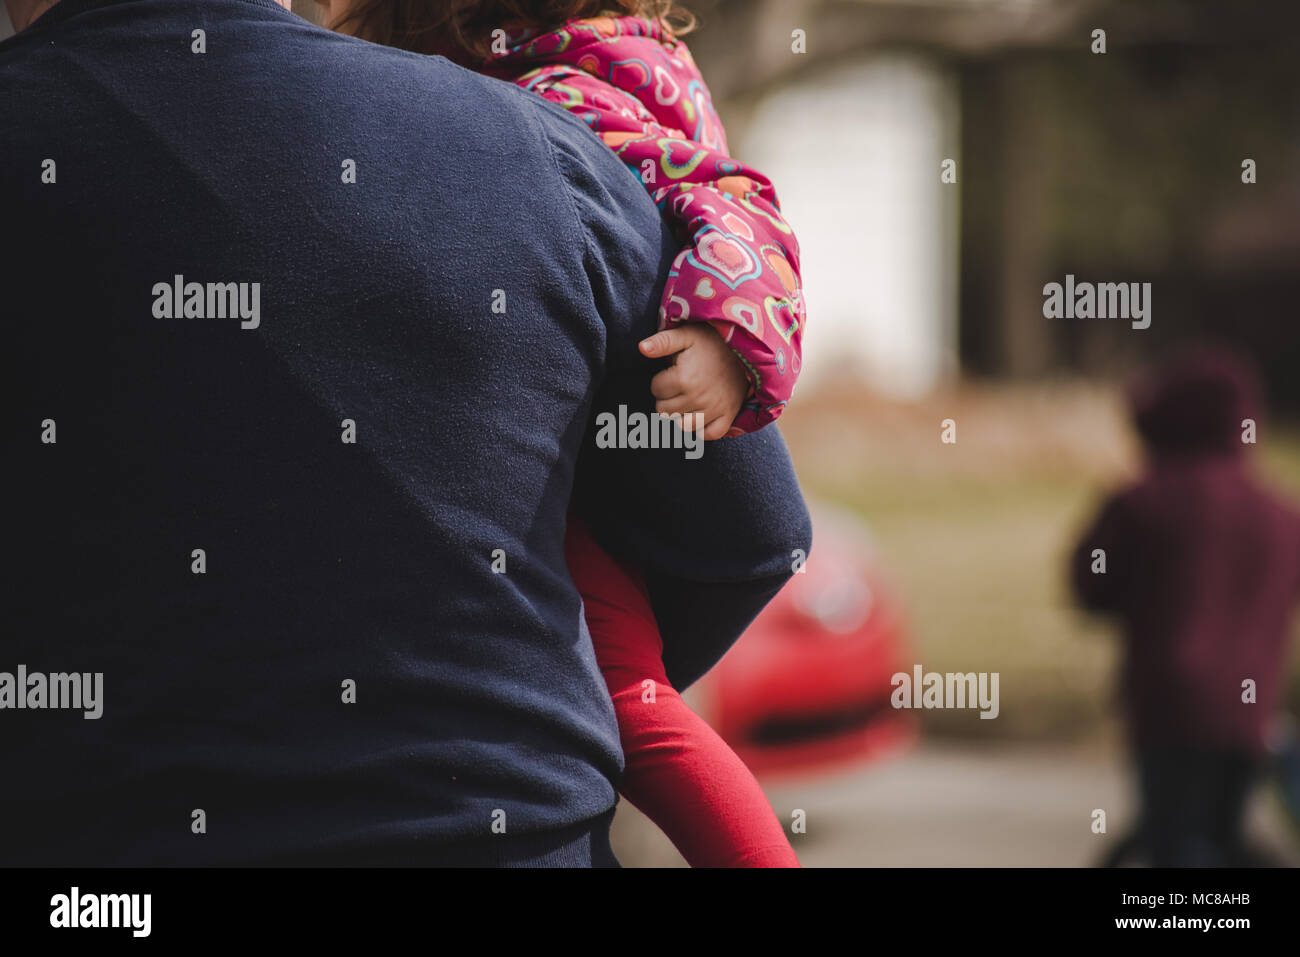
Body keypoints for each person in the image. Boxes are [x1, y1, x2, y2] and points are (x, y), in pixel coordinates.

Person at [0, 0, 811, 866]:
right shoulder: (540, 150)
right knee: (645, 709)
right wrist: (539, 680)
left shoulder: (573, 102)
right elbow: (756, 537)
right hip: (500, 834)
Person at [325, 0, 807, 866]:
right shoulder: (583, 64)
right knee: (631, 699)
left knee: (632, 700)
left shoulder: (553, 99)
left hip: (573, 458)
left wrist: (725, 334)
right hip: (564, 448)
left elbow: (732, 196)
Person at [1071, 349, 1300, 867]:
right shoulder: (1281, 515)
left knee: (1174, 840)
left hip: (1166, 708)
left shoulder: (1141, 504)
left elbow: (1089, 587)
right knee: (1216, 831)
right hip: (1250, 712)